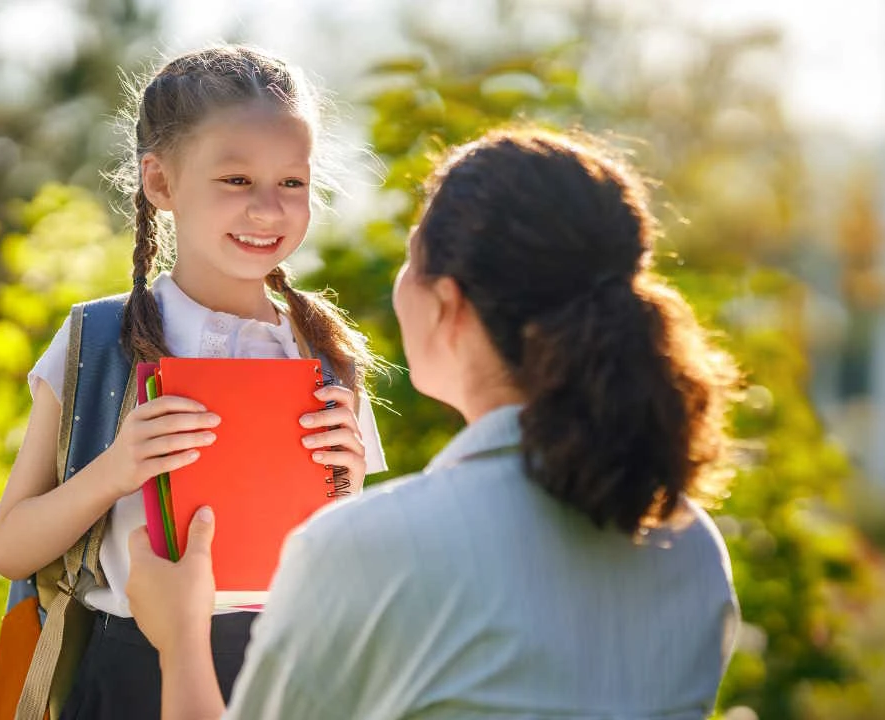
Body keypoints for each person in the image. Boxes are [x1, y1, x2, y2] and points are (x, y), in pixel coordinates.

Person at [127, 127, 743, 719]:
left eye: (411, 255)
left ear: (447, 302)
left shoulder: (371, 548)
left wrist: (181, 639)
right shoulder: (688, 545)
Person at [0, 44, 388, 718]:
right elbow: (9, 548)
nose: (269, 209)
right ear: (161, 183)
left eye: (292, 182)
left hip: (294, 674)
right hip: (125, 675)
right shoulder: (96, 342)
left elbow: (352, 566)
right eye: (236, 180)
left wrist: (347, 493)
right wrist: (116, 469)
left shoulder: (327, 354)